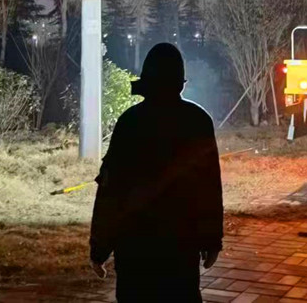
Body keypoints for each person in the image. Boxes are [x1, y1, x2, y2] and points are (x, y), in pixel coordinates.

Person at [89, 43, 223, 302]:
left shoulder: (130, 122)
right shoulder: (198, 121)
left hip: (135, 248)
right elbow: (209, 187)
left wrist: (100, 248)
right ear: (180, 82)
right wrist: (211, 239)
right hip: (181, 246)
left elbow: (110, 191)